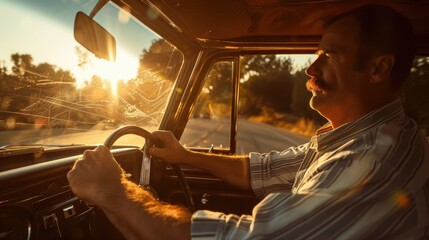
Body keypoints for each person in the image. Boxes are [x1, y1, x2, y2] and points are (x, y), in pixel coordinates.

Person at [67, 4, 429, 239]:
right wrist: (184, 156)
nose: (312, 69)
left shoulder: (370, 160)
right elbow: (260, 169)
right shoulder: (359, 138)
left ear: (379, 68)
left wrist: (114, 190)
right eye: (317, 54)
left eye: (329, 56)